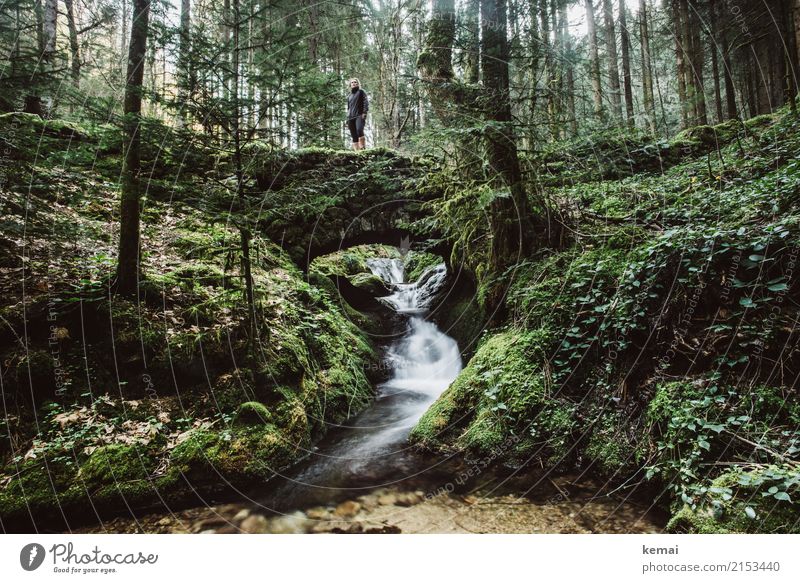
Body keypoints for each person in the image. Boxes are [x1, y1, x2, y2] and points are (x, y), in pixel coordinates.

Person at [347, 78, 369, 151]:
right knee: (354, 135)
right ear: (350, 84)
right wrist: (347, 117)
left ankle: (362, 149)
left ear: (358, 83)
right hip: (350, 117)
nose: (354, 83)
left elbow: (365, 102)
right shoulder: (349, 95)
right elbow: (348, 107)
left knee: (359, 130)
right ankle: (356, 152)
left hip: (359, 115)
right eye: (352, 82)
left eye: (355, 82)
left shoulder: (361, 92)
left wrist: (364, 112)